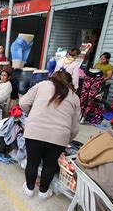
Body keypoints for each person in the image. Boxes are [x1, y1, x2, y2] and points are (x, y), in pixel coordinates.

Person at [19, 71, 80, 201]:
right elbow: (75, 128)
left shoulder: (42, 85)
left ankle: (29, 189)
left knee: (32, 161)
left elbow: (23, 103)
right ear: (69, 83)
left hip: (34, 131)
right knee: (50, 165)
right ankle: (43, 193)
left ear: (52, 78)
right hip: (59, 137)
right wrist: (67, 141)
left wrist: (32, 114)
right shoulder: (74, 96)